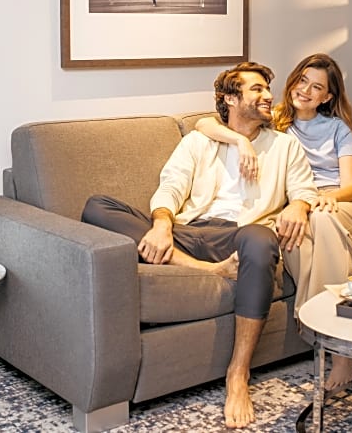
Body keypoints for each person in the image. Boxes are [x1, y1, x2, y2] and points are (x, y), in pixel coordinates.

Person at [81, 62, 318, 429]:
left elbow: (304, 189)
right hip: (190, 232)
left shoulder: (284, 145)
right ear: (230, 99)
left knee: (261, 239)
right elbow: (171, 186)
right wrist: (162, 224)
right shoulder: (199, 140)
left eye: (267, 89)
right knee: (98, 206)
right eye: (256, 89)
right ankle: (206, 269)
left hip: (239, 236)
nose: (268, 96)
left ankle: (237, 374)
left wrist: (299, 206)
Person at [195, 53, 352, 391]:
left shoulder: (338, 129)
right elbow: (204, 125)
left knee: (320, 219)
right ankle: (335, 334)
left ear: (327, 97)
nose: (305, 90)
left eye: (317, 87)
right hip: (305, 211)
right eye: (302, 81)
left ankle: (334, 342)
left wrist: (319, 200)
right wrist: (240, 141)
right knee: (295, 232)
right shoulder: (275, 120)